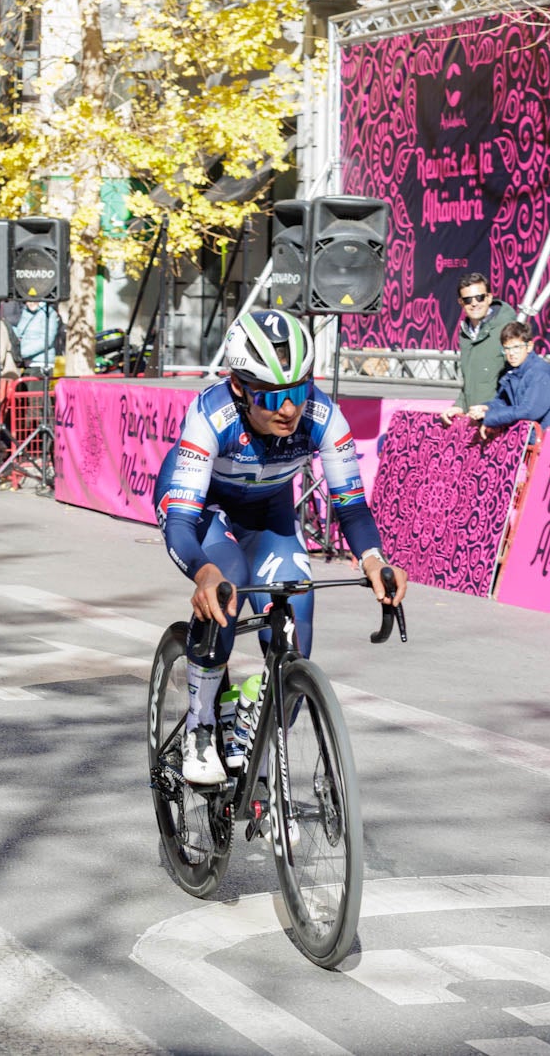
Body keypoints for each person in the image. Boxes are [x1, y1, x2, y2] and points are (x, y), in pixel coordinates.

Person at [153, 310, 407, 785]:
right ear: (239, 389)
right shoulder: (211, 416)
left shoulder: (324, 417)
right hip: (204, 513)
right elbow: (183, 523)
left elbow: (351, 507)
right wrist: (202, 573)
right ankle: (201, 723)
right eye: (273, 397)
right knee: (225, 586)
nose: (288, 410)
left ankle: (259, 719)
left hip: (267, 514)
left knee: (297, 618)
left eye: (299, 391)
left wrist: (373, 559)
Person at [439, 272, 519, 425]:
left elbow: (519, 380)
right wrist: (459, 406)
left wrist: (494, 410)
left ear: (489, 298)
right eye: (468, 300)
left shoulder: (508, 329)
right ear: (461, 302)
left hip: (500, 422)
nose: (474, 303)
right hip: (475, 421)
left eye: (479, 297)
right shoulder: (465, 334)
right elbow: (470, 383)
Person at [468, 322, 550, 438]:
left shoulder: (539, 372)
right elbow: (505, 401)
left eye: (516, 347)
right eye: (506, 348)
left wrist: (490, 417)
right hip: (531, 434)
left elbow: (530, 411)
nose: (511, 353)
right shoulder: (511, 370)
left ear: (529, 347)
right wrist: (487, 408)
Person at [13, 299, 61, 372]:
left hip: (41, 363)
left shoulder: (49, 313)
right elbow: (20, 332)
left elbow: (46, 340)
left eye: (34, 300)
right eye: (28, 301)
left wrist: (21, 353)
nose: (31, 303)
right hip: (25, 363)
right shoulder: (25, 312)